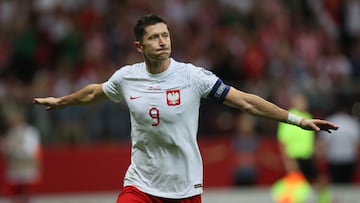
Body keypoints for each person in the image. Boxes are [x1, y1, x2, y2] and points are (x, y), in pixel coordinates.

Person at [33, 14, 338, 203]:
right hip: (140, 183)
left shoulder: (193, 77)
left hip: (184, 189)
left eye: (165, 35)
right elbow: (95, 93)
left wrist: (296, 121)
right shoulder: (127, 77)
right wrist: (62, 102)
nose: (162, 41)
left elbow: (245, 101)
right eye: (153, 37)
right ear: (139, 46)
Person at [276, 93, 330, 203]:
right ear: (294, 103)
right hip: (294, 156)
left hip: (307, 155)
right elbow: (283, 142)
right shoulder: (289, 118)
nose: (303, 104)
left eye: (304, 102)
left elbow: (310, 138)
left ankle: (324, 201)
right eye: (301, 102)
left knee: (320, 181)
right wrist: (288, 160)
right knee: (296, 185)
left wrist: (316, 149)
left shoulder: (308, 117)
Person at [0, 103, 42, 203]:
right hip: (15, 165)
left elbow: (31, 149)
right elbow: (6, 149)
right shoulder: (10, 133)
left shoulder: (30, 131)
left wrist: (15, 148)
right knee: (16, 192)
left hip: (27, 164)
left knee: (28, 191)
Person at [318, 101, 360, 184]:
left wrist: (321, 159)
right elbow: (357, 144)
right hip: (349, 158)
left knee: (335, 185)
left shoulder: (331, 120)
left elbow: (322, 143)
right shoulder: (352, 123)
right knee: (347, 184)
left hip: (333, 158)